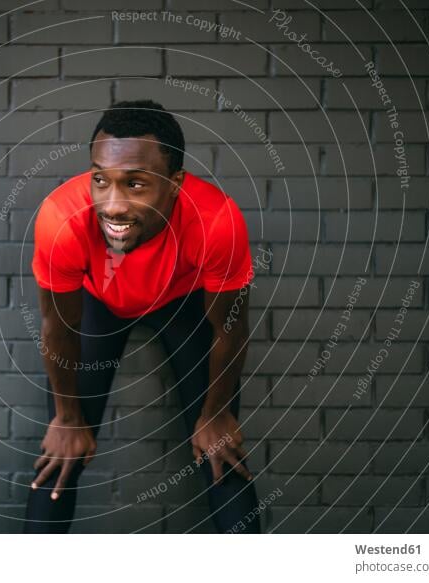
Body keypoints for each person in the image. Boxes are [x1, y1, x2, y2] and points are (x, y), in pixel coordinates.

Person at [23, 99, 259, 533]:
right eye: (101, 180)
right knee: (62, 452)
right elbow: (59, 326)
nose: (112, 205)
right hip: (100, 302)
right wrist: (68, 418)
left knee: (220, 450)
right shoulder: (61, 217)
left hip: (182, 302)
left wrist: (217, 412)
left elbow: (231, 328)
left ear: (175, 184)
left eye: (135, 184)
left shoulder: (216, 221)